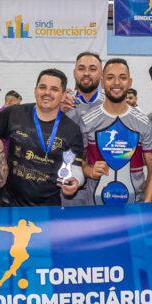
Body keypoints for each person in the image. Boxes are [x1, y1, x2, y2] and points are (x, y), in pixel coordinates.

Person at [0, 69, 85, 207]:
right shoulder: (13, 114)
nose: (47, 92)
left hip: (48, 207)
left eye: (54, 89)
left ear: (63, 94)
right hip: (9, 204)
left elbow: (75, 167)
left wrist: (76, 181)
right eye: (43, 87)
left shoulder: (72, 130)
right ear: (35, 90)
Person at [80, 58, 152, 204]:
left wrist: (146, 203)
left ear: (129, 82)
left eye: (122, 78)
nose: (116, 83)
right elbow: (79, 162)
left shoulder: (143, 122)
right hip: (95, 206)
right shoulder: (87, 120)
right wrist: (90, 171)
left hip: (134, 207)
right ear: (103, 83)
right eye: (110, 78)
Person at [61, 52, 105, 206]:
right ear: (74, 72)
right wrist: (55, 112)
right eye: (81, 68)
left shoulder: (111, 104)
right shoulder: (62, 102)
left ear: (101, 74)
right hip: (67, 184)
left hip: (102, 184)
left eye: (93, 69)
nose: (86, 73)